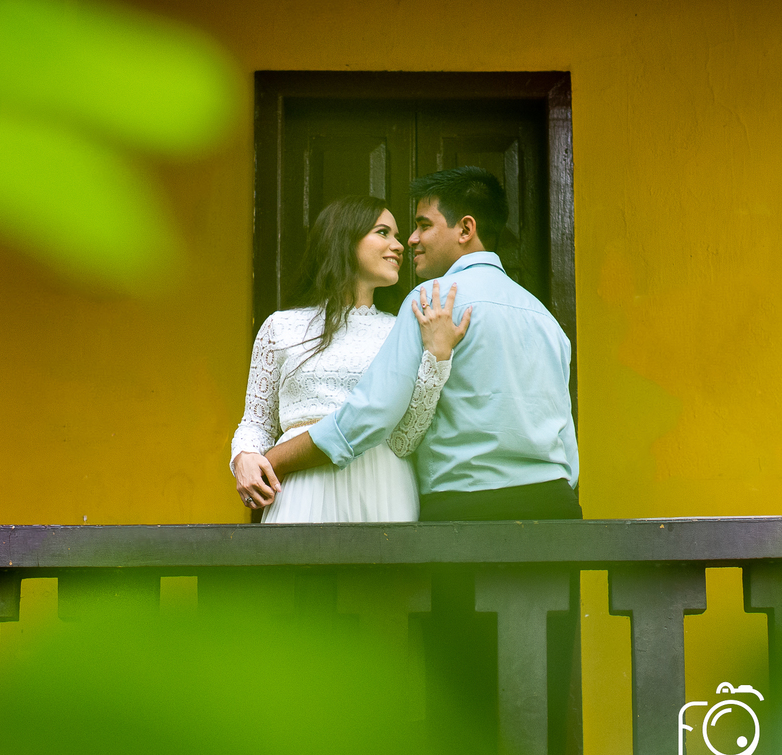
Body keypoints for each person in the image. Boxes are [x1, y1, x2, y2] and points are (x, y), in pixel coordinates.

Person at [260, 167, 581, 521]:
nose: (411, 239)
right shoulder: (545, 320)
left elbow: (372, 414)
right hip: (554, 504)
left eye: (423, 225)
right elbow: (567, 439)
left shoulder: (431, 300)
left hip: (466, 507)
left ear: (465, 229)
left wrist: (272, 459)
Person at [231, 195, 470, 522]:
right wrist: (243, 456)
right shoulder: (280, 327)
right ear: (343, 239)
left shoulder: (402, 329)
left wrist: (437, 358)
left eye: (398, 236)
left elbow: (407, 437)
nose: (400, 246)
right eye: (383, 233)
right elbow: (256, 422)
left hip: (383, 483)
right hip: (302, 486)